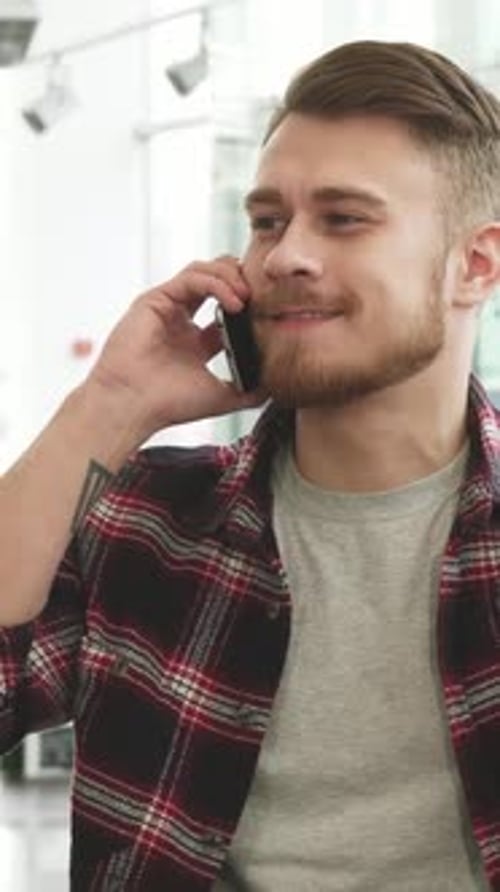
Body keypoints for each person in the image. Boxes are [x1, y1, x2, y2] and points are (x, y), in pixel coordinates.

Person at [1, 37, 500, 892]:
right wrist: (110, 401)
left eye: (343, 218)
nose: (283, 256)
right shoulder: (145, 520)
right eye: (268, 220)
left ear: (475, 264)